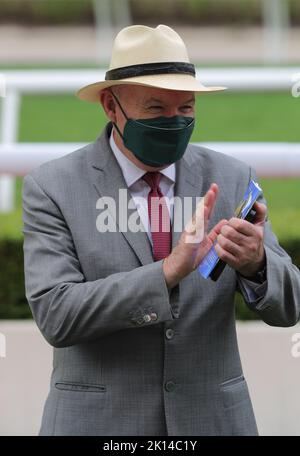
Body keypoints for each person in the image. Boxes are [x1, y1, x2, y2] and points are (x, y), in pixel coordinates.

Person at [22, 24, 300, 436]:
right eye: (155, 109)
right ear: (109, 106)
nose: (173, 122)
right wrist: (167, 272)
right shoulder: (52, 186)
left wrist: (257, 265)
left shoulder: (232, 177)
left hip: (213, 421)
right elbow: (57, 316)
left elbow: (290, 304)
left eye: (185, 109)